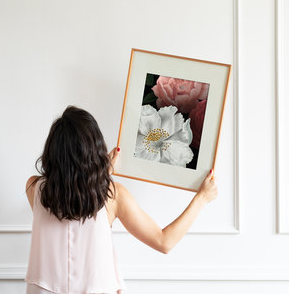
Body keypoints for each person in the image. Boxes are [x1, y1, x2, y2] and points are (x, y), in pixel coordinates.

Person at [24, 105, 217, 294]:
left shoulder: (33, 188)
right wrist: (201, 198)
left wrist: (103, 174)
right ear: (94, 149)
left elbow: (70, 202)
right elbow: (163, 241)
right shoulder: (113, 195)